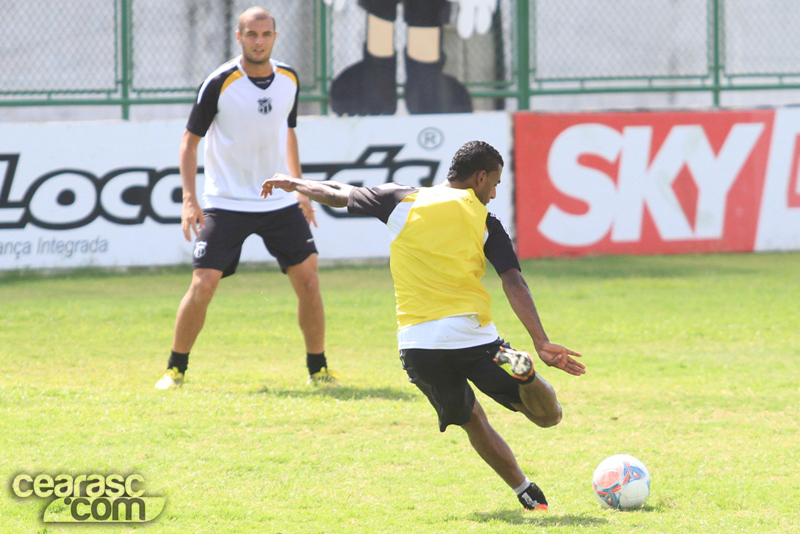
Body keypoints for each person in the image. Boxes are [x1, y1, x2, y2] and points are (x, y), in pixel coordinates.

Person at [260, 141, 585, 511]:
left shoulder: (401, 199)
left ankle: (524, 491)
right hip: (474, 337)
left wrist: (295, 183)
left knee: (471, 418)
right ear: (480, 178)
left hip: (418, 345)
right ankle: (524, 375)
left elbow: (337, 192)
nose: (494, 193)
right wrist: (541, 341)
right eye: (493, 183)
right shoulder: (485, 221)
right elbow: (513, 281)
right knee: (547, 416)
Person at [156, 6, 339, 390]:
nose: (259, 41)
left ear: (274, 36)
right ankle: (175, 369)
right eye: (251, 34)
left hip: (279, 201)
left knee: (309, 281)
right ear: (238, 37)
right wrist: (190, 199)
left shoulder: (289, 78)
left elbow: (288, 132)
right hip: (226, 202)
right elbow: (189, 144)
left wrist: (302, 189)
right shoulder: (220, 82)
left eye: (266, 34)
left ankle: (319, 369)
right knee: (203, 283)